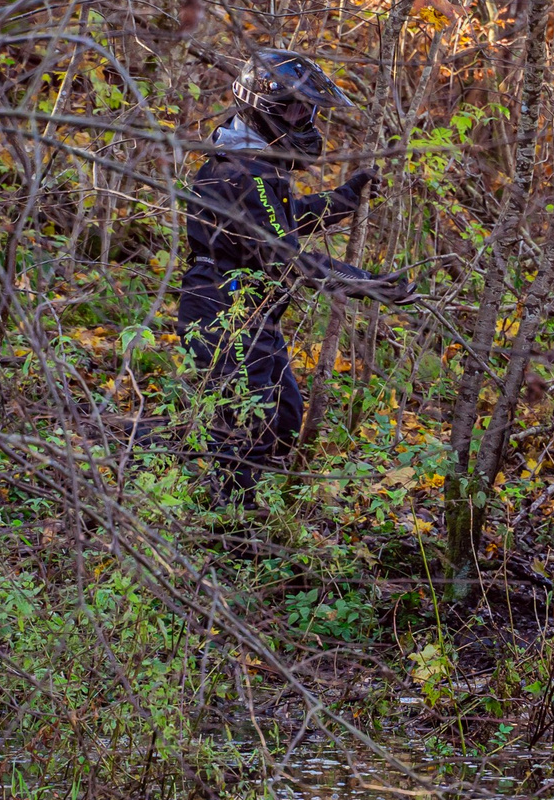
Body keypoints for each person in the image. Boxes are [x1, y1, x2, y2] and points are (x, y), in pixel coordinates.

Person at [177, 48, 416, 495]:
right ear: (265, 106)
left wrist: (347, 196)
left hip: (251, 307)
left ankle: (225, 483)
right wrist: (364, 283)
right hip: (221, 305)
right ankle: (230, 518)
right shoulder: (239, 172)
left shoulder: (253, 164)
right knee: (246, 420)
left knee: (284, 417)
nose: (305, 120)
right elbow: (289, 257)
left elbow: (285, 219)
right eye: (296, 109)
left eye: (308, 111)